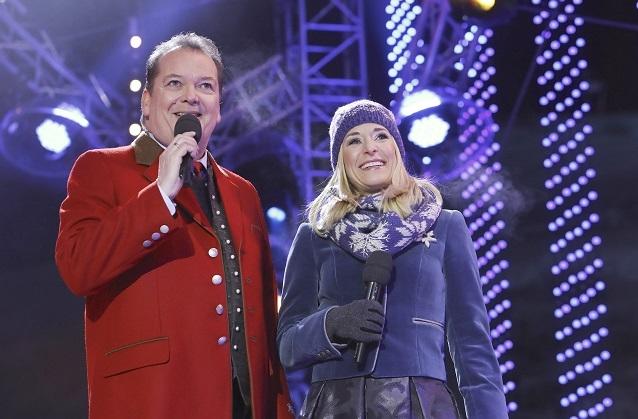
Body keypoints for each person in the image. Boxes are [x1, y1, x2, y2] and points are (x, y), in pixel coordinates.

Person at [55, 32, 292, 419]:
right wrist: (159, 195)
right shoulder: (102, 168)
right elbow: (77, 268)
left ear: (218, 107)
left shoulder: (243, 192)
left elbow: (264, 315)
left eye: (205, 86)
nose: (191, 96)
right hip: (154, 402)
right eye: (174, 83)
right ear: (147, 103)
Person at [276, 99, 509, 418]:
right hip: (335, 406)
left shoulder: (445, 226)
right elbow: (287, 345)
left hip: (420, 406)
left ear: (396, 148)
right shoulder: (315, 236)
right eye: (354, 140)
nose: (370, 147)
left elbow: (473, 347)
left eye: (380, 135)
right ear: (340, 160)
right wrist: (332, 323)